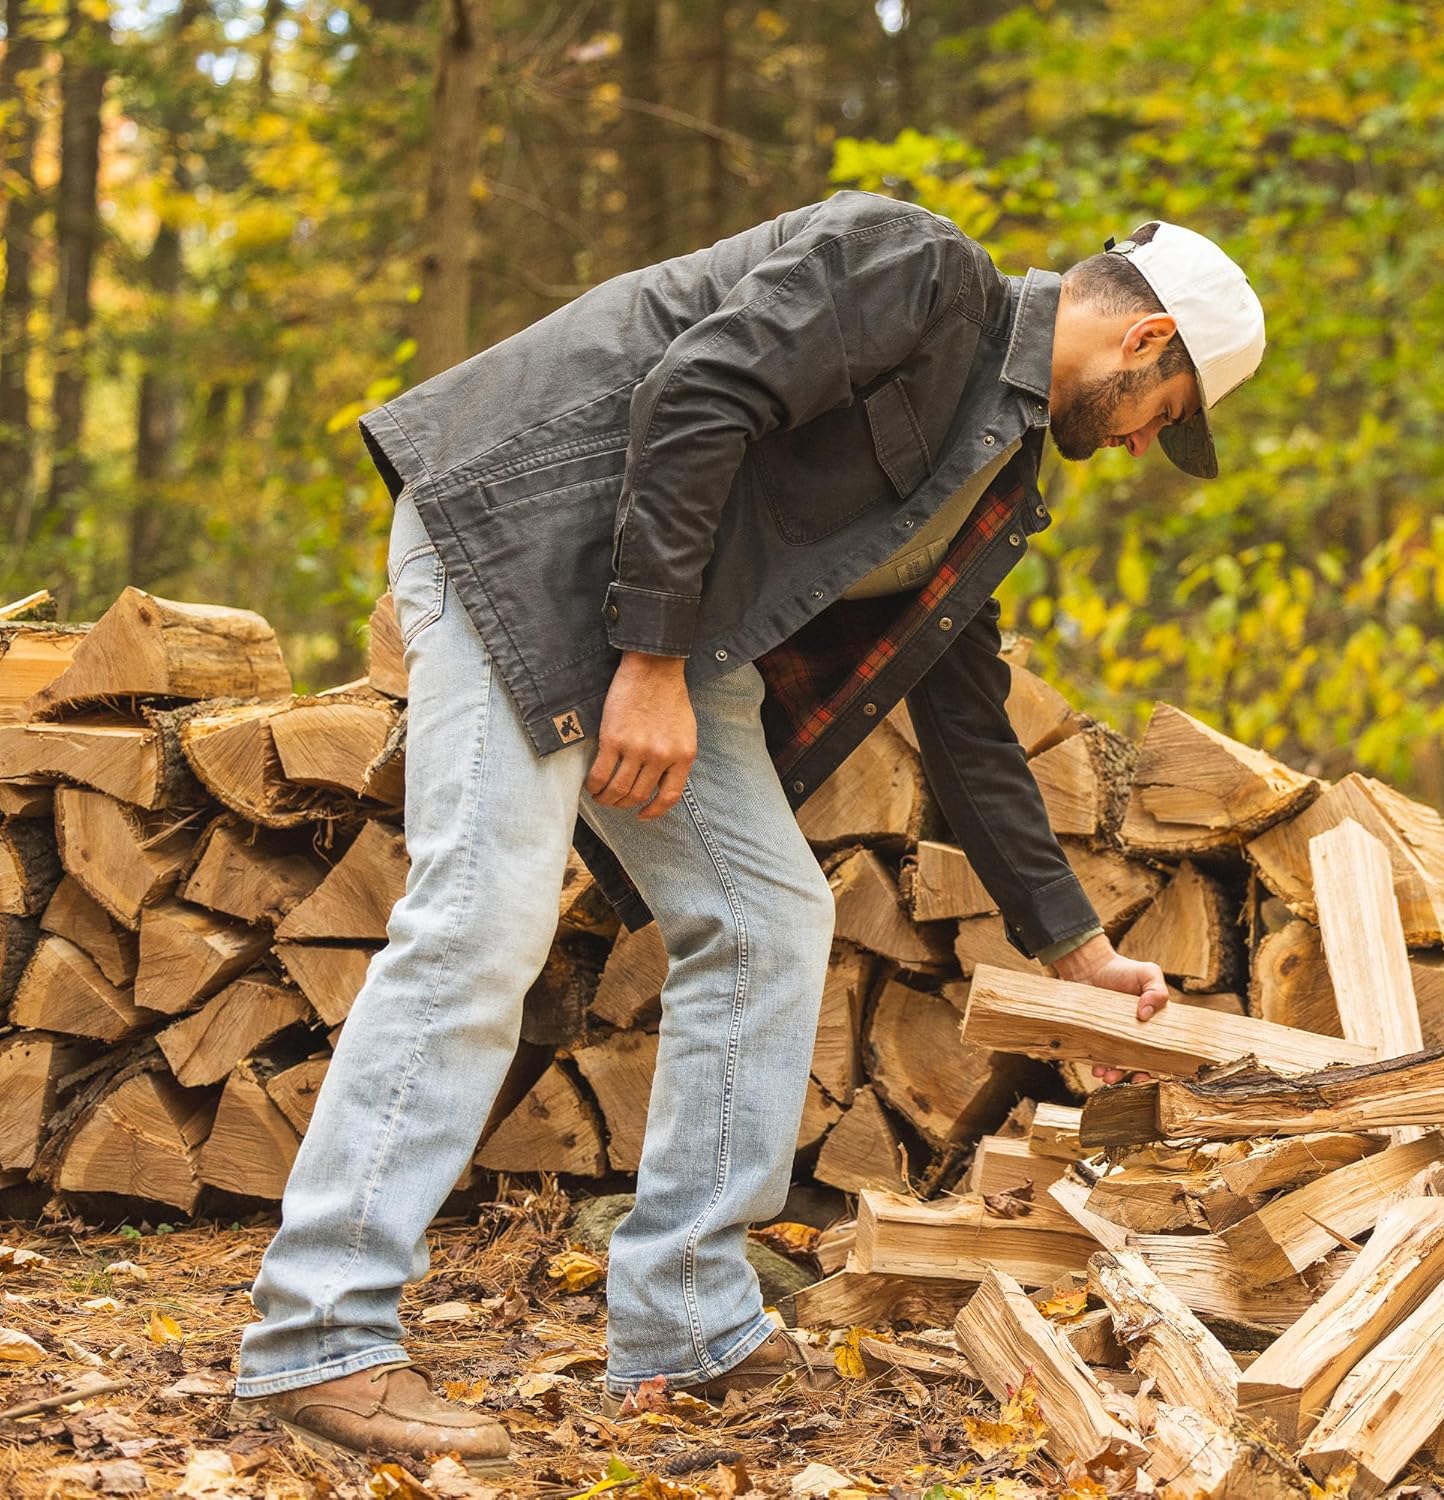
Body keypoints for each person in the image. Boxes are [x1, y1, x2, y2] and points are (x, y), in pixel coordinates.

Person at [229, 193, 1265, 1468]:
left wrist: (1076, 949)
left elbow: (962, 706)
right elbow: (697, 392)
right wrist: (653, 662)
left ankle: (685, 1319)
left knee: (769, 919)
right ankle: (321, 1331)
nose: (1148, 442)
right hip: (530, 543)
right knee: (481, 916)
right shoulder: (918, 268)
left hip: (668, 624)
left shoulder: (996, 469)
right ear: (1146, 340)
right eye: (1169, 412)